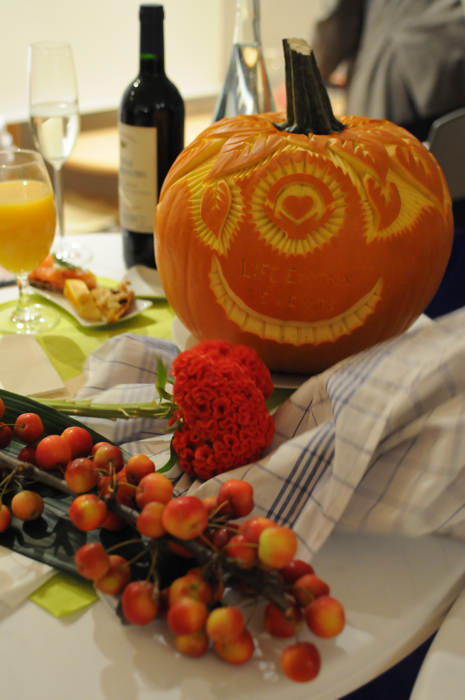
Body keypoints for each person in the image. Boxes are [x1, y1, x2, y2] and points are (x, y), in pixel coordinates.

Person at [312, 0, 465, 141]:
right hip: (453, 56)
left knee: (396, 155)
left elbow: (336, 27)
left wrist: (309, 78)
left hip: (401, 73)